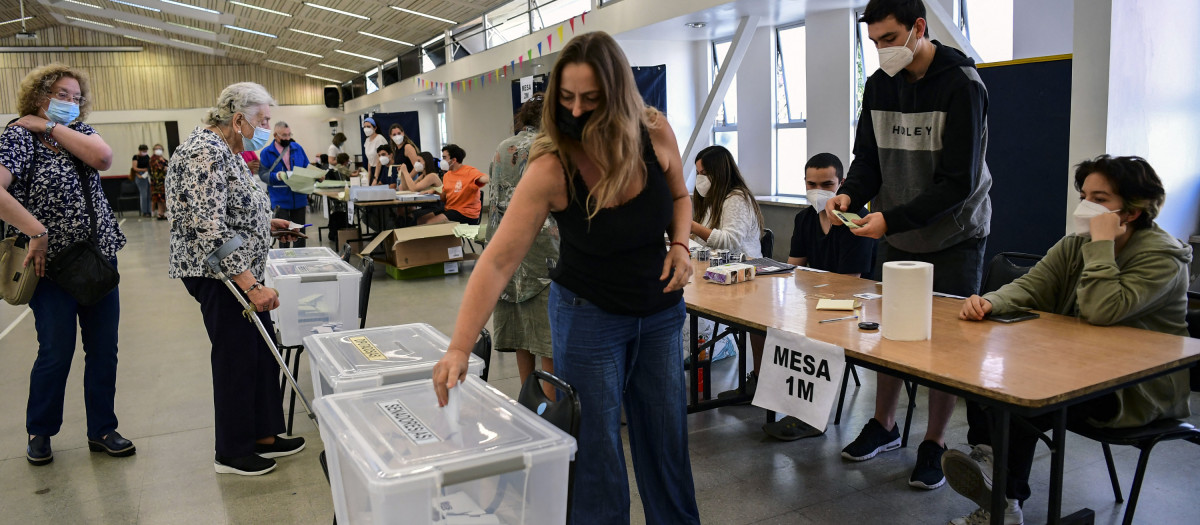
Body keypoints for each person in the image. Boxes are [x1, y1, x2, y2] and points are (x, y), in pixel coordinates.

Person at [432, 31, 700, 524]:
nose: (576, 112)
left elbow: (681, 197)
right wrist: (458, 347)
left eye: (592, 100)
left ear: (618, 95)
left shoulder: (655, 133)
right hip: (589, 317)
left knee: (666, 446)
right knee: (596, 455)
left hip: (661, 312)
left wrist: (681, 244)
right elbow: (496, 260)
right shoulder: (551, 166)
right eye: (567, 98)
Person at [945, 155, 1192, 525]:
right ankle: (992, 468)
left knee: (1026, 399)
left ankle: (1003, 496)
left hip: (1136, 389)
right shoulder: (1076, 243)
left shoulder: (1163, 257)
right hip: (1079, 368)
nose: (1086, 205)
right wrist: (991, 301)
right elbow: (1034, 283)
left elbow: (1101, 309)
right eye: (1084, 194)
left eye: (1101, 198)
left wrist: (1101, 244)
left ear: (1133, 211)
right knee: (986, 378)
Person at [827, 0, 993, 490]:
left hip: (954, 235)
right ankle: (885, 425)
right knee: (894, 332)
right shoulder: (878, 85)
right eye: (874, 41)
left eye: (890, 38)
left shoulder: (963, 85)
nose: (882, 50)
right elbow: (867, 158)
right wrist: (851, 192)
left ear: (919, 28)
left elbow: (957, 181)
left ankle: (935, 443)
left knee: (944, 345)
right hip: (896, 229)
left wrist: (889, 218)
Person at [166, 81, 305, 476]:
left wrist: (268, 222)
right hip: (219, 274)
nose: (266, 126)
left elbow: (231, 207)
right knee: (235, 357)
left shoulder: (227, 150)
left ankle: (263, 433)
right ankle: (232, 450)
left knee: (260, 351)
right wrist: (251, 284)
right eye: (262, 120)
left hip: (239, 270)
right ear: (238, 117)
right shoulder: (203, 151)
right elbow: (208, 227)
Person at [0, 63, 134, 465]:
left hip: (96, 259)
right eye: (61, 94)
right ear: (39, 97)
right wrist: (35, 231)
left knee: (103, 350)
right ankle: (40, 431)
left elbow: (104, 158)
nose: (70, 102)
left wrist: (51, 127)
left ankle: (103, 429)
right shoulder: (16, 138)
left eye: (76, 97)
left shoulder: (80, 134)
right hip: (49, 266)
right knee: (56, 351)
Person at [486, 95, 559, 398]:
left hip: (506, 252)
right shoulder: (548, 148)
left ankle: (529, 401)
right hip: (544, 254)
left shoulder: (502, 148)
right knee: (548, 341)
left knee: (521, 337)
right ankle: (554, 410)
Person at [789, 153, 876, 275]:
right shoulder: (803, 218)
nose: (818, 191)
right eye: (812, 184)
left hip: (855, 291)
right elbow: (793, 268)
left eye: (827, 184)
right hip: (818, 290)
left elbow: (851, 281)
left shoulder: (857, 219)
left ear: (842, 183)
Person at [691, 145, 763, 258]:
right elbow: (704, 241)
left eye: (704, 173)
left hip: (743, 268)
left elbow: (730, 243)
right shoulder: (712, 198)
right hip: (717, 267)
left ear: (720, 172)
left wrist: (692, 226)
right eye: (698, 173)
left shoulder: (737, 198)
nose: (700, 178)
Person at [258, 121, 310, 247]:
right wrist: (276, 176)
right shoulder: (266, 153)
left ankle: (300, 260)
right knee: (284, 235)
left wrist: (316, 176)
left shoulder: (298, 148)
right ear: (275, 135)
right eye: (284, 136)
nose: (287, 138)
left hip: (299, 197)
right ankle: (285, 260)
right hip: (280, 199)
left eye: (289, 134)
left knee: (299, 234)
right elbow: (263, 175)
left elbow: (307, 167)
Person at [429, 144, 488, 225]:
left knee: (430, 223)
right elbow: (445, 197)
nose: (442, 161)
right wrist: (434, 192)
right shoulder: (447, 175)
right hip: (450, 209)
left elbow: (484, 178)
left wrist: (488, 179)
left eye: (444, 157)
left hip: (466, 214)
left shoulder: (469, 171)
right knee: (422, 219)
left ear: (453, 160)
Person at [397, 151, 444, 225]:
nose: (416, 163)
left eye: (419, 161)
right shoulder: (422, 176)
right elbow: (406, 188)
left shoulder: (432, 176)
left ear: (426, 162)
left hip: (437, 206)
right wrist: (403, 174)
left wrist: (406, 172)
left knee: (411, 217)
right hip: (427, 205)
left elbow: (414, 189)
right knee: (404, 214)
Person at [149, 143, 168, 220]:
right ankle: (160, 213)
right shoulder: (153, 159)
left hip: (164, 181)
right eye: (156, 149)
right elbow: (162, 168)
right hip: (157, 182)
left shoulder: (163, 159)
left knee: (163, 198)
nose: (158, 150)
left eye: (159, 149)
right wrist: (166, 168)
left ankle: (162, 213)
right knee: (159, 199)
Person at [131, 144, 151, 217]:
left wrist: (147, 170)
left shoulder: (147, 157)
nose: (145, 152)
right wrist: (143, 170)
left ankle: (149, 211)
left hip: (147, 175)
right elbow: (134, 168)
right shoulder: (135, 157)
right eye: (143, 151)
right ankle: (144, 211)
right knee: (143, 194)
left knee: (149, 194)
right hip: (139, 176)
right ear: (140, 150)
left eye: (146, 151)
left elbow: (149, 166)